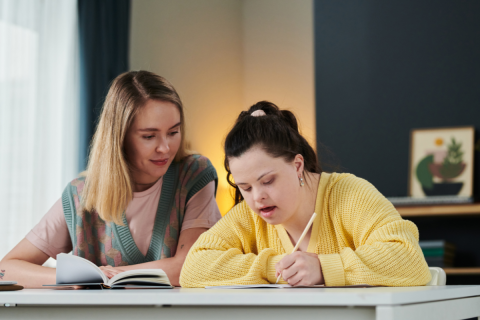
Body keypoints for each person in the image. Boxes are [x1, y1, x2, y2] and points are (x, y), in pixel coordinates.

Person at [0, 71, 221, 287]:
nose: (165, 147)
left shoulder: (194, 174)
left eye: (173, 132)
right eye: (149, 136)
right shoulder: (80, 195)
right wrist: (70, 278)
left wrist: (107, 275)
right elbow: (6, 269)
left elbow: (189, 266)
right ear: (120, 138)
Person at [180, 101, 431, 288]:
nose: (257, 198)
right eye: (245, 188)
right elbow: (193, 268)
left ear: (297, 165)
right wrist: (273, 267)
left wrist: (324, 268)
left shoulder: (349, 195)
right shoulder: (249, 215)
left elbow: (409, 259)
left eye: (267, 181)